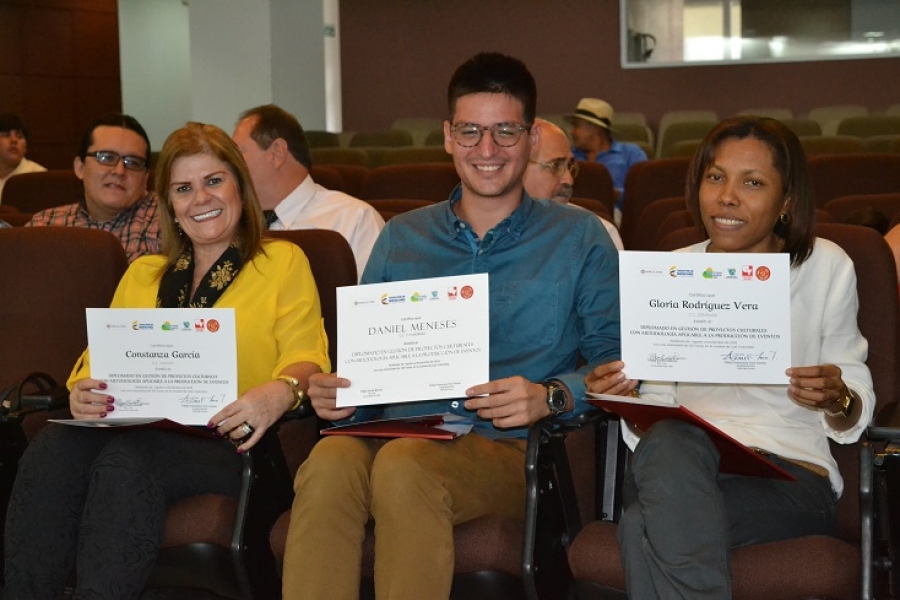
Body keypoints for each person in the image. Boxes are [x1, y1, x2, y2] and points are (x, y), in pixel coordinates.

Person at [282, 52, 621, 599]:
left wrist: (552, 396)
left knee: (405, 465)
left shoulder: (579, 238)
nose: (487, 150)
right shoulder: (401, 237)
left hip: (508, 449)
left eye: (505, 131)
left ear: (532, 138)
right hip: (397, 430)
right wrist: (341, 395)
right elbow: (365, 373)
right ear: (447, 136)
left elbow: (615, 365)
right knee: (328, 461)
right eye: (470, 132)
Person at [3, 122, 330, 600]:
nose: (201, 199)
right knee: (52, 447)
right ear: (170, 205)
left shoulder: (281, 262)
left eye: (213, 181)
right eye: (183, 188)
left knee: (128, 459)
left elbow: (306, 356)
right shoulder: (144, 274)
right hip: (138, 429)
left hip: (233, 444)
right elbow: (98, 360)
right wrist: (83, 390)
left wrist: (281, 391)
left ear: (239, 186)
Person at [585, 115, 875, 599]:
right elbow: (653, 416)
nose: (726, 197)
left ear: (787, 200)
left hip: (788, 477)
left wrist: (836, 396)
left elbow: (855, 405)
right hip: (678, 466)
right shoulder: (673, 271)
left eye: (752, 183)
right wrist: (625, 399)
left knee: (642, 525)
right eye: (716, 177)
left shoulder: (826, 265)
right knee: (672, 441)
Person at [232, 104, 384, 279]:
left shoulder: (354, 219)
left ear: (277, 153)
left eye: (238, 153)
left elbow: (371, 295)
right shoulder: (232, 225)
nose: (229, 165)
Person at [26, 114, 160, 263]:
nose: (120, 171)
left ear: (146, 177)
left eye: (133, 162)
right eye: (107, 158)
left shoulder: (169, 223)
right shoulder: (44, 226)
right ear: (80, 167)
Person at [524, 118, 624, 250]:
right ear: (517, 169)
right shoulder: (495, 229)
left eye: (570, 166)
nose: (569, 180)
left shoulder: (596, 237)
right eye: (556, 165)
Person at [566, 98, 647, 225]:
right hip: (571, 215)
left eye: (576, 126)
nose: (572, 131)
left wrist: (615, 194)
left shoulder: (631, 154)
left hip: (616, 217)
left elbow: (644, 194)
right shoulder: (568, 155)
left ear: (594, 128)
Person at [0, 114, 46, 201]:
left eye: (20, 136)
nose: (14, 140)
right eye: (6, 135)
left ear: (25, 147)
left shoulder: (38, 176)